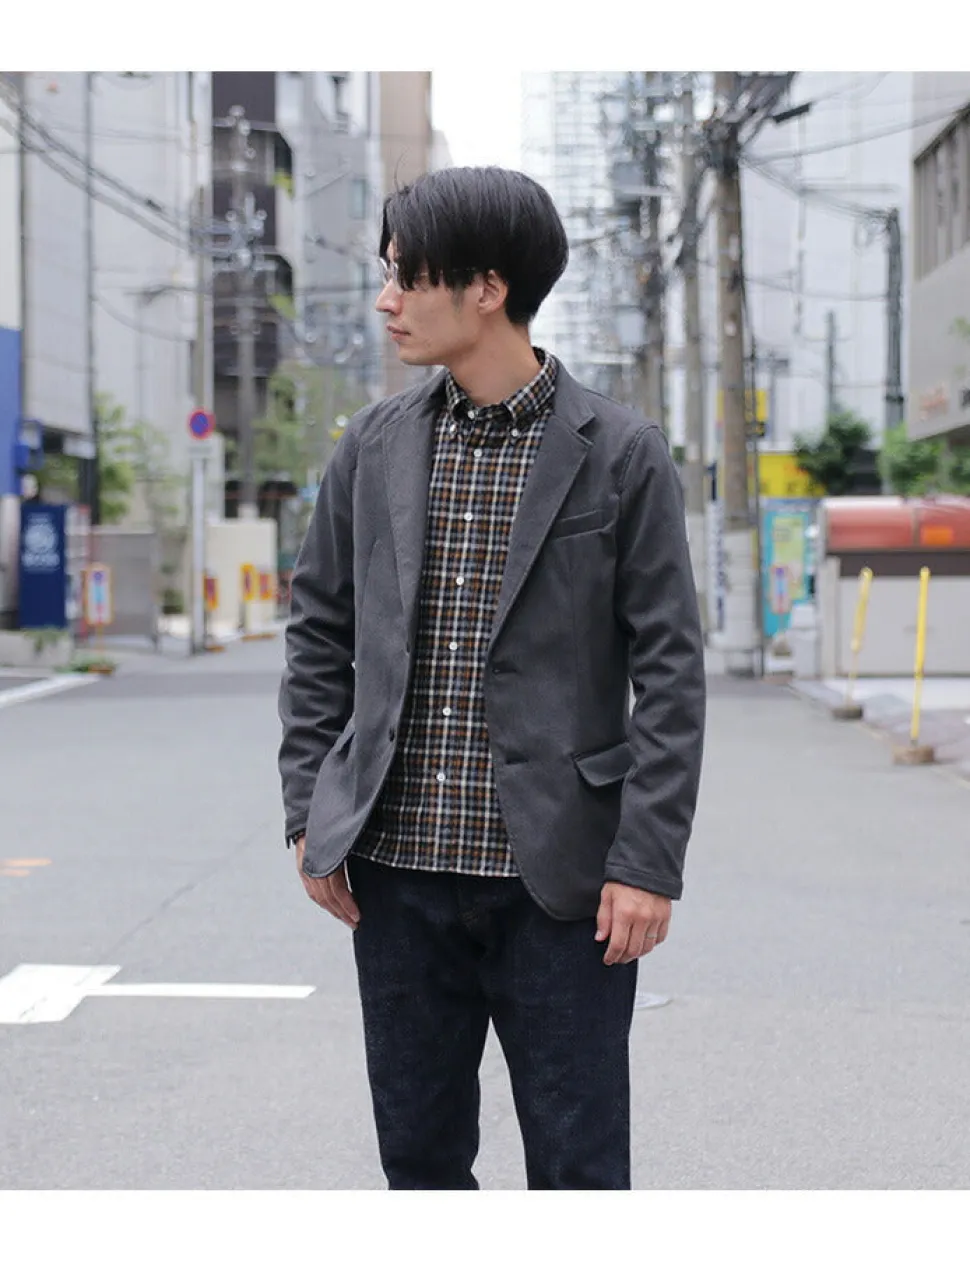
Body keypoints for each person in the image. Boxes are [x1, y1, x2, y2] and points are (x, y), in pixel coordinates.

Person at [278, 166, 706, 1191]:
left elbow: (670, 671)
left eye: (407, 276)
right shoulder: (372, 447)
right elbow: (318, 634)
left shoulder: (621, 453)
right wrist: (309, 812)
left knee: (577, 1170)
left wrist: (648, 863)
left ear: (486, 288)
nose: (385, 300)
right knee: (420, 1164)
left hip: (559, 885)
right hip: (397, 876)